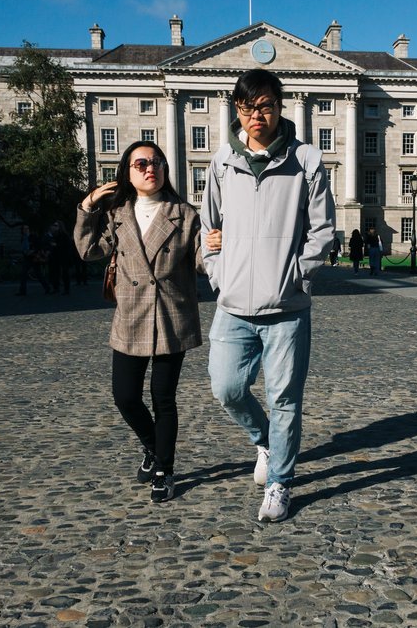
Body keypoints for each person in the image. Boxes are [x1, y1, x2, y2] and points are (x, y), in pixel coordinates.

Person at [201, 69, 336, 522]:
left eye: (264, 106)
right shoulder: (221, 161)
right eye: (246, 107)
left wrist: (298, 274)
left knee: (285, 399)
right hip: (233, 304)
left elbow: (322, 231)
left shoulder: (307, 161)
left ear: (280, 107)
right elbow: (209, 228)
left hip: (286, 306)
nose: (255, 116)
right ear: (237, 109)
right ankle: (264, 442)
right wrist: (218, 273)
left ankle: (280, 482)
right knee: (227, 388)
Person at [74, 140, 203, 503]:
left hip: (171, 317)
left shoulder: (185, 215)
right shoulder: (118, 214)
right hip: (130, 316)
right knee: (125, 397)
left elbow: (202, 262)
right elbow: (88, 250)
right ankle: (152, 447)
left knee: (163, 399)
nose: (151, 168)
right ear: (127, 173)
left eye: (158, 162)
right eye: (141, 163)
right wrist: (88, 206)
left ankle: (164, 468)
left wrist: (218, 245)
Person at [17, 224, 50, 296]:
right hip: (27, 258)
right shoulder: (23, 238)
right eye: (24, 229)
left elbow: (39, 246)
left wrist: (33, 251)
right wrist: (25, 253)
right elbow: (23, 248)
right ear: (22, 230)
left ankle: (47, 288)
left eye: (27, 228)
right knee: (23, 274)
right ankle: (22, 291)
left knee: (39, 274)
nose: (26, 230)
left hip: (34, 258)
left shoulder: (33, 237)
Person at [47, 220, 73, 295]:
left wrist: (56, 245)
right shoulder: (55, 235)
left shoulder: (64, 235)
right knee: (55, 273)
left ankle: (66, 289)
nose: (54, 227)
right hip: (56, 258)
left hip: (64, 258)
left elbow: (66, 247)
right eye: (54, 225)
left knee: (65, 274)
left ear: (60, 227)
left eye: (56, 225)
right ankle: (56, 288)